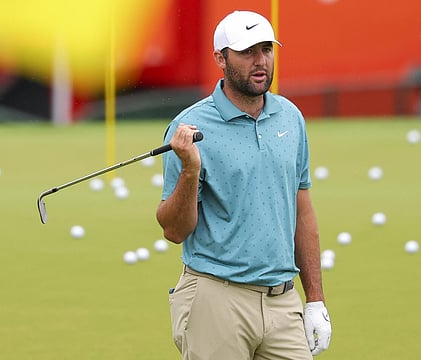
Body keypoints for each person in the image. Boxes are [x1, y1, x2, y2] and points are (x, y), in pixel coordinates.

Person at [156, 10, 332, 360]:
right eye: (247, 51)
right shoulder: (189, 127)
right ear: (220, 58)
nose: (260, 61)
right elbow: (175, 230)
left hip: (283, 302)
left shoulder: (290, 117)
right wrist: (190, 169)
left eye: (266, 49)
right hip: (216, 298)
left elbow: (302, 210)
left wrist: (315, 299)